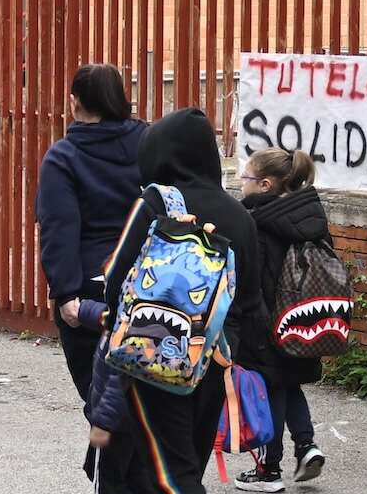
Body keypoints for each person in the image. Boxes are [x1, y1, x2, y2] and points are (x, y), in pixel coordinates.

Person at [91, 107, 267, 493]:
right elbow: (252, 300)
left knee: (171, 475)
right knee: (187, 460)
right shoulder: (241, 216)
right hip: (215, 360)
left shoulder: (156, 204)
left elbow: (117, 279)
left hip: (155, 354)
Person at [36, 64, 146, 402]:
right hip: (149, 282)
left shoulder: (64, 157)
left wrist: (66, 295)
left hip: (92, 288)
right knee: (148, 395)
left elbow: (59, 228)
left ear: (74, 102)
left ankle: (115, 454)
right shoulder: (148, 142)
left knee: (101, 400)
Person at [234, 147, 329, 492]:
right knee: (289, 384)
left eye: (243, 178)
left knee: (270, 389)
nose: (237, 183)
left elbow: (253, 281)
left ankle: (269, 470)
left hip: (267, 322)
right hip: (305, 319)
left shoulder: (258, 223)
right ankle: (306, 446)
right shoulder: (308, 215)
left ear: (264, 184)